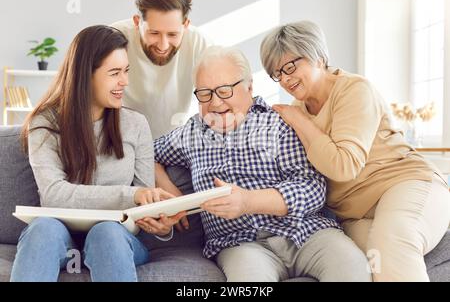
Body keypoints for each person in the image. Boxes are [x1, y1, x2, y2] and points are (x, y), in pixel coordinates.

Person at [153, 46, 372, 282]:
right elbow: (148, 153)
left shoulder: (280, 123)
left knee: (353, 268)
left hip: (306, 232)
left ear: (249, 87)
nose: (215, 102)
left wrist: (248, 201)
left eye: (224, 91)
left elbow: (312, 188)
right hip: (241, 244)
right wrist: (171, 191)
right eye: (204, 93)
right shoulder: (191, 133)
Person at [260, 20, 450, 282]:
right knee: (369, 263)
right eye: (277, 73)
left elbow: (344, 165)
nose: (285, 79)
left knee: (392, 242)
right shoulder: (296, 110)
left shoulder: (354, 90)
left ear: (318, 56)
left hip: (406, 184)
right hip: (353, 215)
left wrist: (300, 121)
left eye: (290, 66)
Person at [11, 25, 184, 282]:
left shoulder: (135, 125)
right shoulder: (44, 124)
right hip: (59, 236)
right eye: (114, 73)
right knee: (42, 230)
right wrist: (132, 195)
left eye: (126, 71)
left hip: (115, 238)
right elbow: (54, 195)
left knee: (107, 233)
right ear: (85, 76)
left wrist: (158, 222)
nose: (124, 81)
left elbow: (143, 204)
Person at [111, 0, 210, 139]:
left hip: (173, 140)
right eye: (154, 33)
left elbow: (213, 99)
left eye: (172, 34)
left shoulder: (197, 42)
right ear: (137, 22)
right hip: (121, 138)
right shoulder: (115, 38)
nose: (163, 45)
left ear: (185, 25)